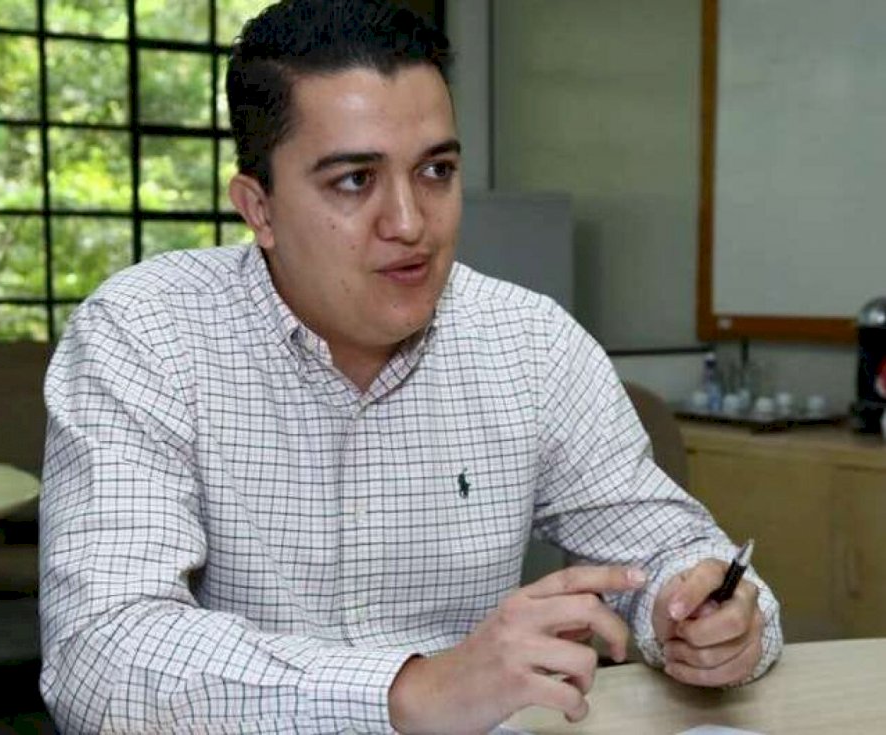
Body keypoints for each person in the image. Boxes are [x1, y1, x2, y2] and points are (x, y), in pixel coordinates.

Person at [38, 1, 782, 732]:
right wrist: (410, 689)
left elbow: (669, 550)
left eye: (436, 170)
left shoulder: (530, 342)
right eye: (354, 180)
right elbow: (99, 656)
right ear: (258, 208)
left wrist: (702, 615)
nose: (410, 223)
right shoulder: (146, 334)